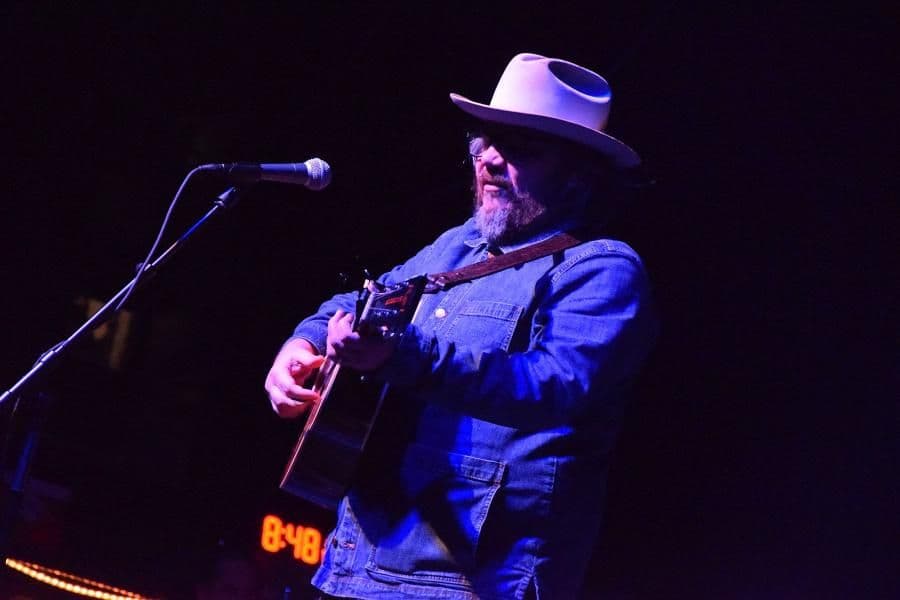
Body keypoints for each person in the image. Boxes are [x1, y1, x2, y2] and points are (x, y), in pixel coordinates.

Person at [265, 53, 658, 599]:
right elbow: (358, 301)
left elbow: (555, 386)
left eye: (522, 149)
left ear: (577, 176)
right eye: (486, 141)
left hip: (471, 582)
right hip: (357, 563)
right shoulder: (457, 246)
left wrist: (401, 355)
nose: (491, 159)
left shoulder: (601, 269)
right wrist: (302, 342)